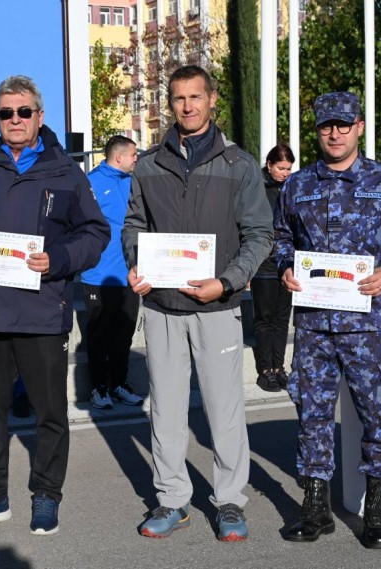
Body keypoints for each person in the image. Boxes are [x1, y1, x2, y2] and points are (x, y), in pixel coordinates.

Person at [0, 75, 109, 536]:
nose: (15, 120)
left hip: (41, 315)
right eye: (6, 113)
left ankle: (47, 495)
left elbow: (94, 233)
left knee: (50, 413)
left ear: (39, 116)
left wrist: (59, 260)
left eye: (23, 112)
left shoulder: (65, 171)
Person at [122, 65, 272, 542]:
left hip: (216, 307)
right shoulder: (148, 165)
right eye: (178, 98)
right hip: (163, 307)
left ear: (212, 100)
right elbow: (134, 226)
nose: (187, 106)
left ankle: (229, 501)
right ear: (171, 104)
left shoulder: (240, 165)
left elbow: (260, 235)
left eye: (195, 97)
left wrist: (228, 281)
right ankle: (171, 500)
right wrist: (136, 264)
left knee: (223, 409)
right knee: (164, 410)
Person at [275, 92, 381, 549]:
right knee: (313, 415)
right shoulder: (297, 185)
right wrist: (285, 265)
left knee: (378, 413)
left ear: (359, 126)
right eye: (326, 126)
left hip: (368, 325)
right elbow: (282, 236)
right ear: (317, 130)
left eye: (343, 124)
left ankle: (376, 514)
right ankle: (315, 509)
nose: (335, 133)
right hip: (315, 325)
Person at [81, 135, 143, 409]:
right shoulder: (90, 183)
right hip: (98, 275)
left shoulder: (134, 183)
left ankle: (119, 383)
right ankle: (99, 388)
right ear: (119, 157)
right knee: (98, 336)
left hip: (130, 274)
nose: (136, 159)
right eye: (134, 155)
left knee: (124, 333)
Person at [252, 143, 295, 393]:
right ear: (269, 165)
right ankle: (265, 370)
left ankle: (278, 368)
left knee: (281, 320)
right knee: (264, 319)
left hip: (286, 263)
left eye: (289, 168)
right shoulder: (256, 189)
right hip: (263, 263)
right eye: (281, 168)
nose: (285, 173)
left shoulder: (290, 189)